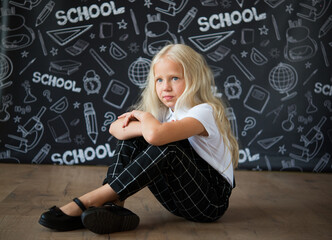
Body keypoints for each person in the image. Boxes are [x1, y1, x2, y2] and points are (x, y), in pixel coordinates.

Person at [39, 44, 239, 234]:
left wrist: (143, 116)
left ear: (194, 79)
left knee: (166, 145)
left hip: (210, 203)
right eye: (159, 80)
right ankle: (112, 206)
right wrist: (145, 125)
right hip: (178, 200)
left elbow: (155, 135)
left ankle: (92, 199)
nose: (165, 87)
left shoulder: (203, 111)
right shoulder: (165, 114)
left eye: (175, 78)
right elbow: (116, 129)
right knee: (137, 138)